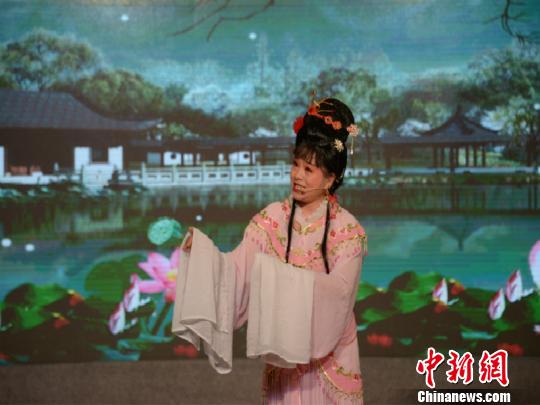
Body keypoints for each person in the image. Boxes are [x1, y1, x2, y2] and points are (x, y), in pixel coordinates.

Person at [175, 97, 368, 404]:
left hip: (331, 361)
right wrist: (202, 254)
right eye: (296, 164)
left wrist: (285, 279)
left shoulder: (347, 230)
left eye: (309, 169)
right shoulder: (272, 219)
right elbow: (237, 270)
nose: (297, 176)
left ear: (331, 179)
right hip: (284, 358)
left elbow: (341, 295)